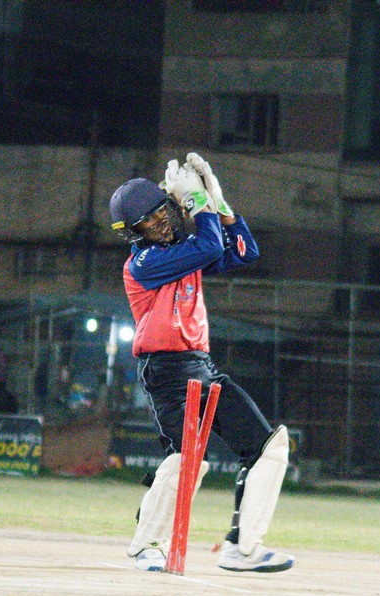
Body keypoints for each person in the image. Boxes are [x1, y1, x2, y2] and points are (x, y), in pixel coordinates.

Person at [108, 153, 294, 574]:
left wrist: (221, 208)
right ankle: (146, 545)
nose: (159, 224)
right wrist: (197, 204)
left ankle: (242, 548)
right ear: (133, 233)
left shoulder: (185, 250)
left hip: (203, 366)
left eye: (161, 212)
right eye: (146, 223)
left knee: (268, 447)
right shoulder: (143, 263)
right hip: (166, 371)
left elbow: (243, 253)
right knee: (188, 459)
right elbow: (209, 246)